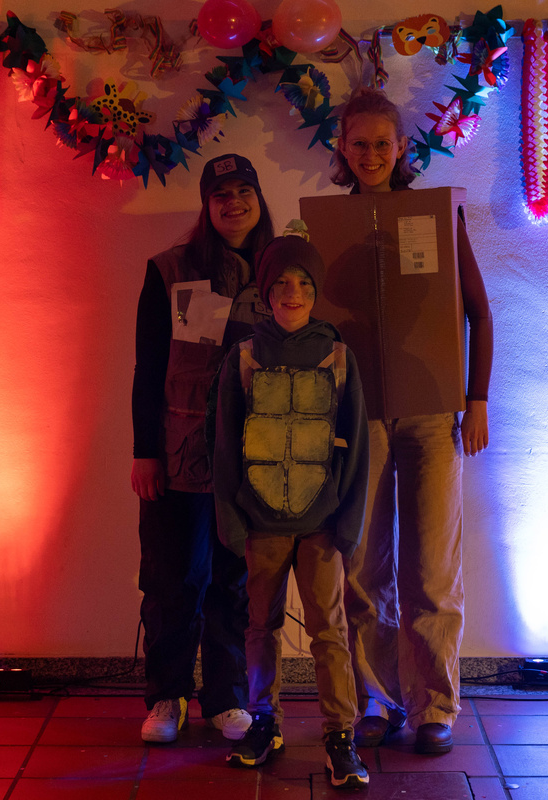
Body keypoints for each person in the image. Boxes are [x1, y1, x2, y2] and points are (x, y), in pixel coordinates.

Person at [331, 88, 493, 755]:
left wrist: (476, 399)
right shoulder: (327, 226)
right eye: (359, 143)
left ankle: (434, 706)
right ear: (341, 148)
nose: (371, 154)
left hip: (430, 413)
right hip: (359, 415)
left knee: (431, 569)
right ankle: (377, 699)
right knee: (362, 567)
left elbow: (478, 311)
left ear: (400, 148)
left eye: (382, 143)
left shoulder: (434, 214)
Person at [212, 232, 371, 789]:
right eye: (280, 282)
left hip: (322, 523)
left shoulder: (339, 357)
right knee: (261, 626)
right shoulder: (244, 357)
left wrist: (348, 521)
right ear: (265, 291)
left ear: (315, 290)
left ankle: (340, 734)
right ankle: (264, 721)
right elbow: (225, 443)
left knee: (330, 630)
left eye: (303, 282)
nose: (292, 292)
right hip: (261, 523)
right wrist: (231, 518)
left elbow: (357, 446)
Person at [130, 153, 275, 744]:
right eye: (221, 195)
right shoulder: (170, 270)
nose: (233, 203)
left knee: (232, 583)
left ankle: (226, 699)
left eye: (244, 192)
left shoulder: (280, 272)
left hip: (251, 458)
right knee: (172, 580)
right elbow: (148, 367)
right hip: (178, 453)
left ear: (259, 199)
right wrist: (145, 450)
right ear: (206, 205)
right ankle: (167, 698)